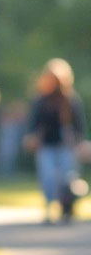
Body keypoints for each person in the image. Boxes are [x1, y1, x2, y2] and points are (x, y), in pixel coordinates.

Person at [24, 59, 87, 224]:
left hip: (66, 146)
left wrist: (80, 144)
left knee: (68, 180)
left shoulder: (70, 100)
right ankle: (48, 208)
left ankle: (67, 209)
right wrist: (32, 138)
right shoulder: (41, 101)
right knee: (48, 177)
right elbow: (33, 125)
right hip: (47, 146)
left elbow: (79, 126)